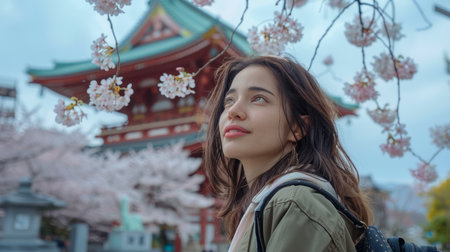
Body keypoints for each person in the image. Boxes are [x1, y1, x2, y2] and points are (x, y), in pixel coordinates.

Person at [203, 56, 373, 251]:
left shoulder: (297, 204)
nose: (233, 111)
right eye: (229, 100)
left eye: (258, 98)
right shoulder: (272, 203)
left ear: (297, 127)